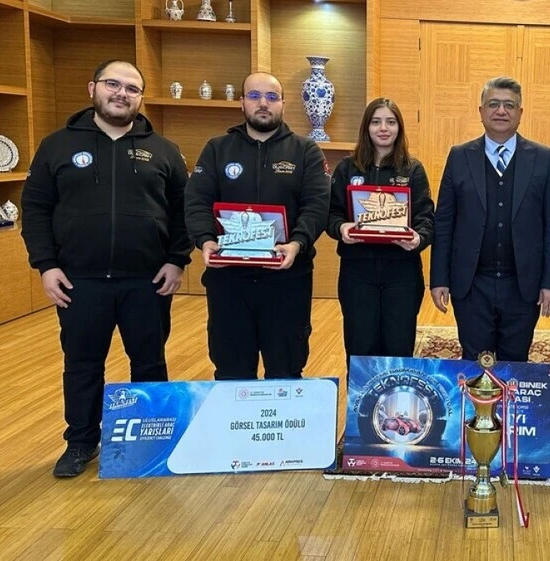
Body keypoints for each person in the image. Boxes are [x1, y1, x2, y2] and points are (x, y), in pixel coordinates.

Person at [20, 60, 192, 478]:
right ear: (92, 88)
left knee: (149, 362)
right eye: (113, 84)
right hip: (79, 281)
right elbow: (36, 208)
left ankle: (152, 441)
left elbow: (184, 212)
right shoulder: (56, 146)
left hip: (147, 281)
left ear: (140, 98)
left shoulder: (164, 151)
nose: (121, 93)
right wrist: (46, 265)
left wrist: (176, 260)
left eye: (132, 88)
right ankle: (80, 442)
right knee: (82, 364)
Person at [185, 72, 330, 380]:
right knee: (231, 371)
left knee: (286, 370)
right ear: (242, 103)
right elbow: (196, 201)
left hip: (287, 280)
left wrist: (297, 243)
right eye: (254, 96)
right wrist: (206, 240)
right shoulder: (217, 149)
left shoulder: (305, 151)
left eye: (272, 97)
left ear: (283, 104)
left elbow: (317, 205)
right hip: (228, 281)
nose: (263, 103)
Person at [429, 76, 550, 362]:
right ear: (481, 111)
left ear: (520, 113)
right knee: (474, 361)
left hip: (523, 285)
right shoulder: (459, 156)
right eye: (493, 104)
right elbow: (444, 223)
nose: (501, 111)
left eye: (509, 105)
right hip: (471, 283)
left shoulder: (543, 158)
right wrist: (439, 278)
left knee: (515, 363)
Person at [326, 98, 434, 367]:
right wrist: (341, 228)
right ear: (366, 127)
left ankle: (398, 395)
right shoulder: (347, 168)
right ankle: (361, 396)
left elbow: (427, 219)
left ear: (399, 127)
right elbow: (331, 214)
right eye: (376, 122)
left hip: (402, 274)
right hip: (357, 273)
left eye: (390, 122)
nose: (383, 128)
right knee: (359, 347)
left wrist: (418, 238)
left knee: (399, 347)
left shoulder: (413, 169)